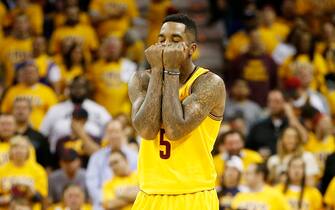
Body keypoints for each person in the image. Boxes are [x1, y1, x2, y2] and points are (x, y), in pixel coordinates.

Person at [129, 14, 225, 210]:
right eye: (161, 39)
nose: (165, 45)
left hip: (194, 195)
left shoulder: (209, 83)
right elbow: (146, 131)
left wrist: (170, 69)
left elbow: (175, 129)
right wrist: (158, 71)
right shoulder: (142, 79)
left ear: (191, 49)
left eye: (175, 40)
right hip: (149, 194)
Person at [41, 75, 111, 154]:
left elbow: (110, 129)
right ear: (69, 89)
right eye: (75, 87)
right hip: (59, 155)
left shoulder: (99, 110)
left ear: (87, 90)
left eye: (81, 88)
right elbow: (43, 133)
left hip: (91, 154)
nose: (78, 90)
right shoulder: (55, 109)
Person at [86, 120, 137, 210]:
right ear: (106, 135)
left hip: (133, 203)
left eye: (116, 131)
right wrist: (109, 201)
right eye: (110, 132)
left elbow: (141, 188)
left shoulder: (134, 156)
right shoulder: (96, 157)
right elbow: (92, 186)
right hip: (103, 203)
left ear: (123, 133)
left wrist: (121, 198)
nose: (114, 135)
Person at [247, 90, 307, 157]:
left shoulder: (295, 122)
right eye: (270, 101)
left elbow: (305, 139)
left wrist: (290, 115)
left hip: (291, 162)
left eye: (277, 101)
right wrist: (257, 153)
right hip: (263, 164)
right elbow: (247, 150)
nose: (273, 105)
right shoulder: (258, 126)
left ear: (285, 103)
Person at [228, 26, 278, 106]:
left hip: (264, 104)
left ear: (262, 40)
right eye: (253, 38)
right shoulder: (238, 60)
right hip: (244, 105)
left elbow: (274, 83)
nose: (255, 41)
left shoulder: (270, 61)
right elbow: (232, 82)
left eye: (258, 38)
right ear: (249, 40)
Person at [1, 61, 58, 129]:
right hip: (15, 130)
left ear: (38, 74)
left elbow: (54, 114)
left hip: (40, 130)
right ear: (23, 75)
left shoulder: (47, 91)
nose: (30, 74)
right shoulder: (12, 91)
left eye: (32, 72)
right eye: (27, 73)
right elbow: (4, 112)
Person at [89, 35, 137, 117]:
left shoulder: (130, 66)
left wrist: (125, 114)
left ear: (121, 48)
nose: (112, 50)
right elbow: (91, 92)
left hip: (122, 116)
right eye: (109, 47)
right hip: (100, 115)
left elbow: (133, 95)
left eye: (114, 47)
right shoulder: (94, 67)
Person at [0, 136, 47, 210]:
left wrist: (30, 191)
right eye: (15, 147)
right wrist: (9, 198)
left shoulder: (38, 170)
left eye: (22, 147)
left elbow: (41, 198)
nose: (19, 150)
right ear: (10, 151)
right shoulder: (1, 170)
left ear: (28, 151)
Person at [12, 97, 51, 168]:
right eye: (17, 108)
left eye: (24, 108)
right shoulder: (5, 136)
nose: (20, 111)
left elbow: (47, 165)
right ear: (12, 111)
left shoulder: (39, 137)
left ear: (30, 111)